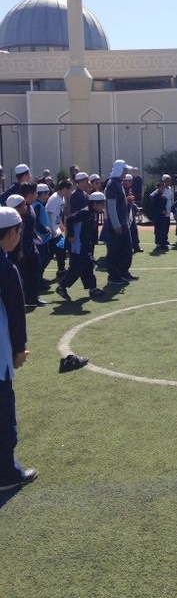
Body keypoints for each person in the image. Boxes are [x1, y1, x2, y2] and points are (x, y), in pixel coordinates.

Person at [0, 206, 38, 491]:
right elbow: (16, 312)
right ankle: (7, 474)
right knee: (4, 413)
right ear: (12, 232)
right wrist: (19, 349)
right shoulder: (5, 267)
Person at [56, 192, 107, 301]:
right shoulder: (85, 212)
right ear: (94, 204)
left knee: (88, 265)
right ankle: (62, 287)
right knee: (76, 268)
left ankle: (93, 289)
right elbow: (69, 220)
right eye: (101, 204)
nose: (103, 206)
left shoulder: (91, 213)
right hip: (77, 245)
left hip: (83, 244)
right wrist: (71, 235)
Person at [104, 159, 138, 285]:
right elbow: (111, 206)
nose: (126, 173)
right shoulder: (113, 184)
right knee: (115, 251)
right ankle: (114, 276)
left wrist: (126, 201)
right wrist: (116, 224)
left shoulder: (117, 183)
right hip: (118, 225)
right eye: (124, 170)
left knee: (126, 249)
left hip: (123, 223)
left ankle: (123, 272)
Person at [45, 179, 73, 279]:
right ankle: (38, 275)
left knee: (61, 249)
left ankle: (61, 270)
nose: (70, 192)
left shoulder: (61, 198)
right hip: (52, 231)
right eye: (70, 189)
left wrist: (60, 224)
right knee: (49, 254)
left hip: (57, 230)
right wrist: (50, 228)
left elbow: (58, 214)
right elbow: (48, 213)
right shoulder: (55, 198)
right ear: (65, 189)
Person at [150, 182, 170, 250]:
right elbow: (154, 207)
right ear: (158, 188)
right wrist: (161, 211)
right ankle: (158, 244)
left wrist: (164, 211)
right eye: (161, 187)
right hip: (157, 216)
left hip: (163, 216)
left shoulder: (164, 197)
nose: (162, 189)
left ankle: (163, 243)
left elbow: (164, 206)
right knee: (158, 230)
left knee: (163, 229)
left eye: (163, 187)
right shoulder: (155, 196)